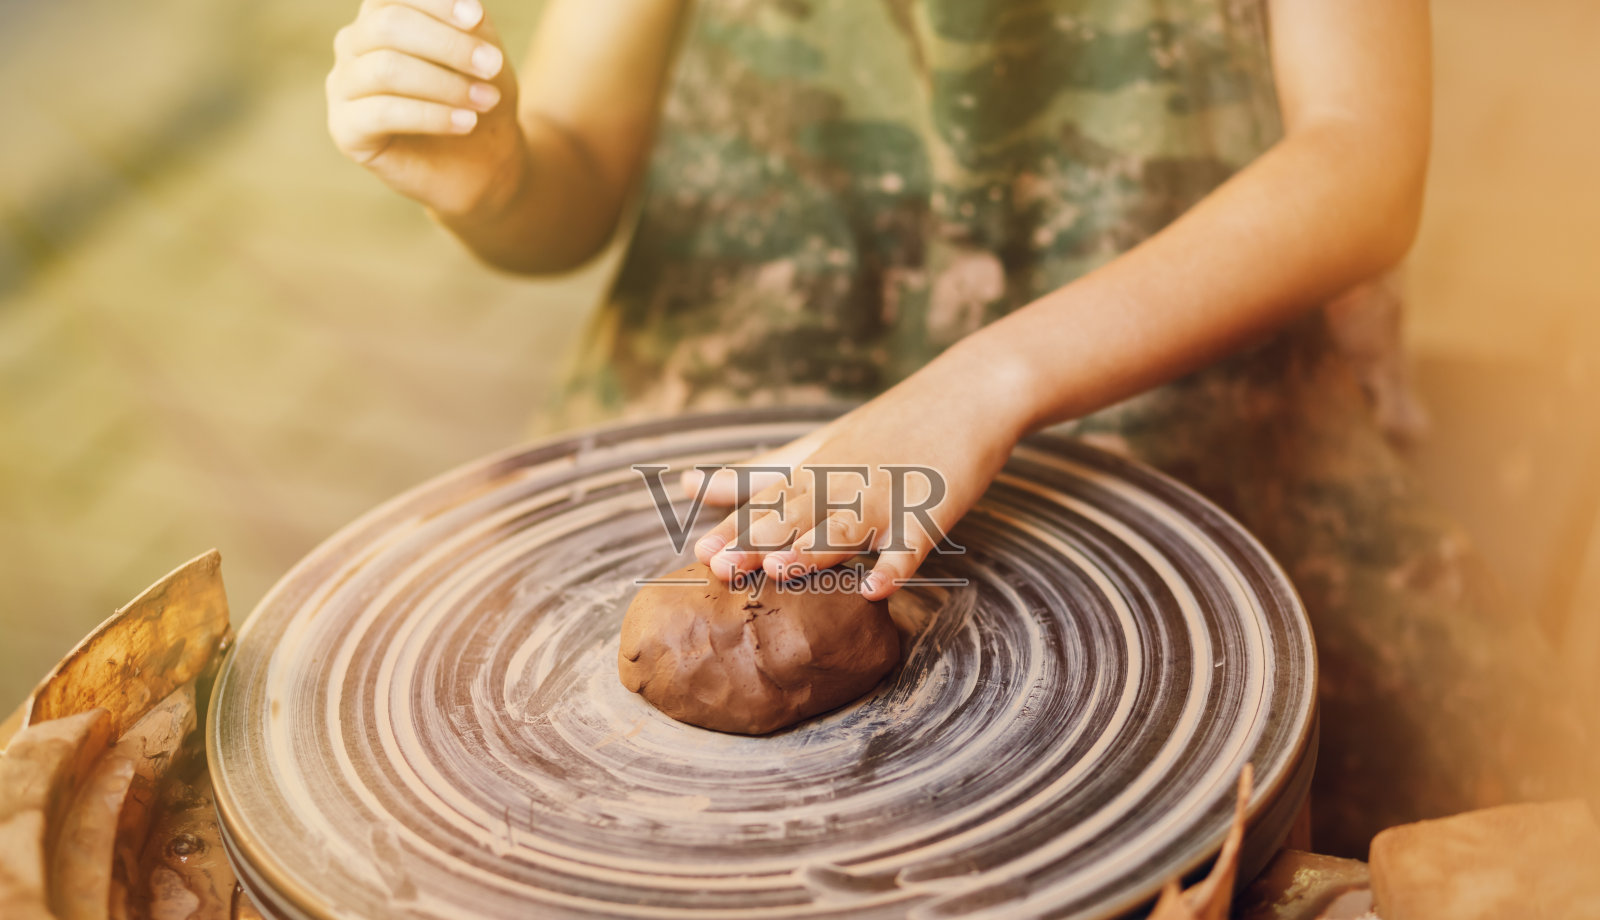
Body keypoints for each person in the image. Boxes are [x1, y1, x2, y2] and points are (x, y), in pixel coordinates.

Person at [325, 0, 1588, 856]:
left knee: (1413, 822)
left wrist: (982, 383)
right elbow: (573, 181)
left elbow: (1364, 162)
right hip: (741, 357)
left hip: (1154, 362)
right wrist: (494, 180)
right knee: (473, 773)